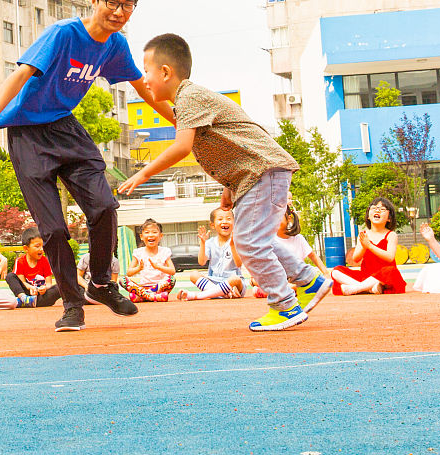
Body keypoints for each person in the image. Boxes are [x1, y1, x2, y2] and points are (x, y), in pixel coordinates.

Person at [0, 0, 175, 332]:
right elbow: (20, 74)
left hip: (66, 128)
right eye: (111, 3)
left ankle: (103, 283)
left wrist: (181, 122)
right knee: (55, 230)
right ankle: (73, 304)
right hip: (28, 135)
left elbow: (144, 89)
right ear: (94, 1)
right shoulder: (62, 34)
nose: (119, 12)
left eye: (128, 6)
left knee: (105, 205)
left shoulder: (116, 45)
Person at [118, 33, 330, 331]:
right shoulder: (187, 102)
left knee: (248, 243)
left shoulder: (189, 96)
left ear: (165, 72)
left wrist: (144, 173)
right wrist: (228, 187)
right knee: (257, 240)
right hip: (253, 175)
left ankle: (285, 306)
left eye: (147, 71)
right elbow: (231, 141)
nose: (146, 79)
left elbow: (181, 146)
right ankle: (309, 280)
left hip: (263, 173)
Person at [330, 198, 407, 295]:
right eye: (374, 208)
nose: (377, 210)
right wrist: (364, 246)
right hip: (366, 276)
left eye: (382, 209)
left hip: (384, 277)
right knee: (336, 271)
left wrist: (370, 246)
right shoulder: (364, 235)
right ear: (368, 217)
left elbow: (390, 257)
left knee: (391, 271)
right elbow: (356, 258)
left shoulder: (391, 235)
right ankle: (368, 288)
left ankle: (356, 289)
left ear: (389, 218)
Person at [181, 207, 246, 301]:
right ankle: (223, 294)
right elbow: (202, 262)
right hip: (214, 281)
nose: (225, 221)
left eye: (228, 218)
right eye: (220, 219)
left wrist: (232, 246)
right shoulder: (210, 243)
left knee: (235, 279)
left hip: (232, 283)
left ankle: (199, 296)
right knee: (193, 274)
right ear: (212, 225)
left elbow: (239, 264)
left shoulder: (237, 241)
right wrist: (203, 243)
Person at [123, 219, 176, 303]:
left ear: (160, 236)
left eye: (154, 232)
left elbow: (172, 271)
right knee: (123, 280)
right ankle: (153, 296)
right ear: (141, 237)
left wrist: (158, 267)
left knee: (171, 279)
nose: (150, 235)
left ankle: (145, 296)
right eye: (147, 232)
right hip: (143, 287)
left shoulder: (165, 251)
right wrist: (139, 268)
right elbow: (129, 272)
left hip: (160, 287)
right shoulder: (138, 252)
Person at [6, 228, 60, 308]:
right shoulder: (20, 261)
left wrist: (44, 288)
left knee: (60, 286)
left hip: (41, 296)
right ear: (26, 248)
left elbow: (49, 283)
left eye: (42, 246)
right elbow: (22, 282)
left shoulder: (45, 261)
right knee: (10, 276)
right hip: (27, 294)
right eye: (37, 246)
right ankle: (25, 300)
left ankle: (27, 303)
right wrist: (31, 287)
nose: (41, 249)